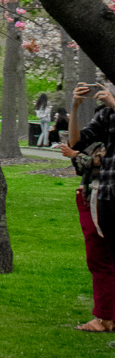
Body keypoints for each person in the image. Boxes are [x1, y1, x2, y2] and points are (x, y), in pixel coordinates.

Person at [61, 79, 115, 330]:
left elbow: (84, 157)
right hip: (98, 193)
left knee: (102, 258)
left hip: (102, 194)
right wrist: (74, 107)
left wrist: (78, 158)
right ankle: (106, 316)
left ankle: (106, 316)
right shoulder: (105, 116)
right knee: (99, 258)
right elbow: (76, 142)